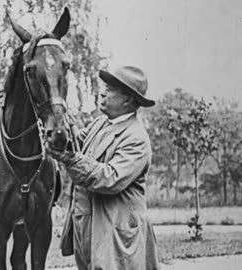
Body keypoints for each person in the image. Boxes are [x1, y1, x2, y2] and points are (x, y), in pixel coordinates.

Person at [46, 65, 160, 270]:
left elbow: (109, 178)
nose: (102, 92)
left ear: (128, 100)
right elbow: (78, 143)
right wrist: (60, 120)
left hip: (114, 232)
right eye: (104, 87)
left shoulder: (136, 138)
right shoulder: (100, 124)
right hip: (87, 228)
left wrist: (70, 159)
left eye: (110, 89)